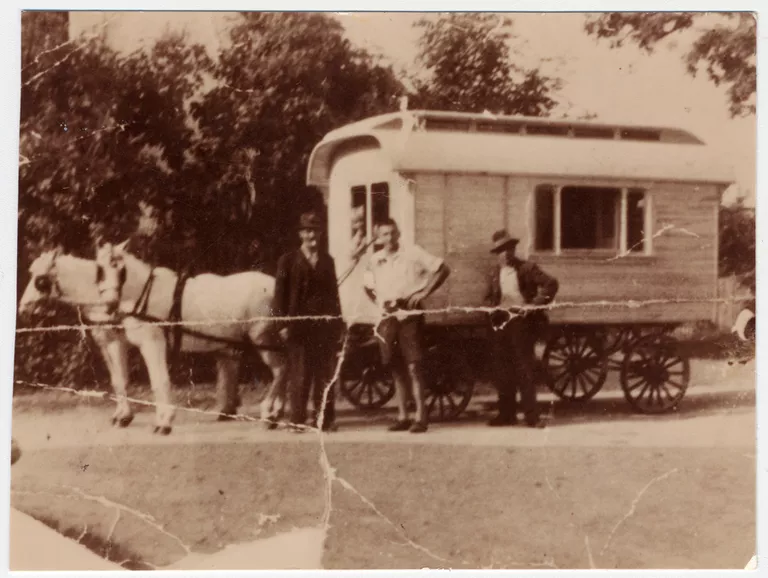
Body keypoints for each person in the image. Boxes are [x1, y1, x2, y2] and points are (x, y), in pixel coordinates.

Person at [363, 218, 450, 433]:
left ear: (399, 233)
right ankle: (402, 416)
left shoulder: (412, 253)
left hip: (409, 314)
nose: (389, 238)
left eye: (393, 233)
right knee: (395, 366)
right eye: (384, 234)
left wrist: (424, 292)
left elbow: (442, 269)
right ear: (378, 237)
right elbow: (367, 285)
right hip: (387, 315)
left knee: (414, 365)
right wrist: (379, 301)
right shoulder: (374, 259)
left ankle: (421, 417)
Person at [273, 212, 344, 432]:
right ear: (300, 234)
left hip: (324, 327)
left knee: (324, 375)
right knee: (300, 374)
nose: (311, 234)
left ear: (321, 233)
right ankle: (297, 420)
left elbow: (333, 294)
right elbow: (279, 296)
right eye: (307, 230)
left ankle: (324, 419)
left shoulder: (327, 261)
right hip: (298, 327)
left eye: (315, 230)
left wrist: (339, 323)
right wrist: (282, 324)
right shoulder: (288, 260)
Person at [485, 229, 559, 428]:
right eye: (501, 250)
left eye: (509, 248)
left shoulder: (527, 268)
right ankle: (506, 415)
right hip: (501, 323)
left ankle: (532, 417)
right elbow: (489, 297)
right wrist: (492, 311)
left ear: (514, 249)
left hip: (522, 323)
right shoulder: (494, 273)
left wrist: (533, 305)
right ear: (496, 253)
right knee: (503, 370)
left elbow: (551, 284)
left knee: (524, 369)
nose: (506, 253)